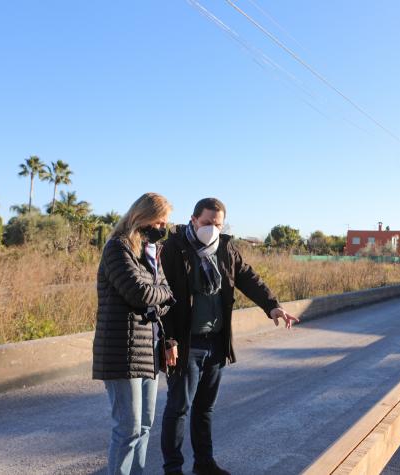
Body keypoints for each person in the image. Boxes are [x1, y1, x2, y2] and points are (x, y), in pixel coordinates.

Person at [160, 197, 299, 475]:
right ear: (193, 220)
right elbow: (162, 295)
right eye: (207, 223)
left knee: (204, 409)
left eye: (217, 224)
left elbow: (248, 277)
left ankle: (204, 463)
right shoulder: (174, 249)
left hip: (216, 341)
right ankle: (173, 468)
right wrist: (168, 339)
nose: (212, 229)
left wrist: (272, 306)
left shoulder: (224, 248)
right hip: (187, 343)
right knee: (179, 408)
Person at [92, 192, 176, 475]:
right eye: (160, 221)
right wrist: (162, 295)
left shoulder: (149, 253)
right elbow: (139, 293)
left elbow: (163, 298)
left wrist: (160, 297)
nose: (162, 227)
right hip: (120, 351)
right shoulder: (117, 249)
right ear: (143, 216)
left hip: (147, 350)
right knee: (127, 428)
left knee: (144, 426)